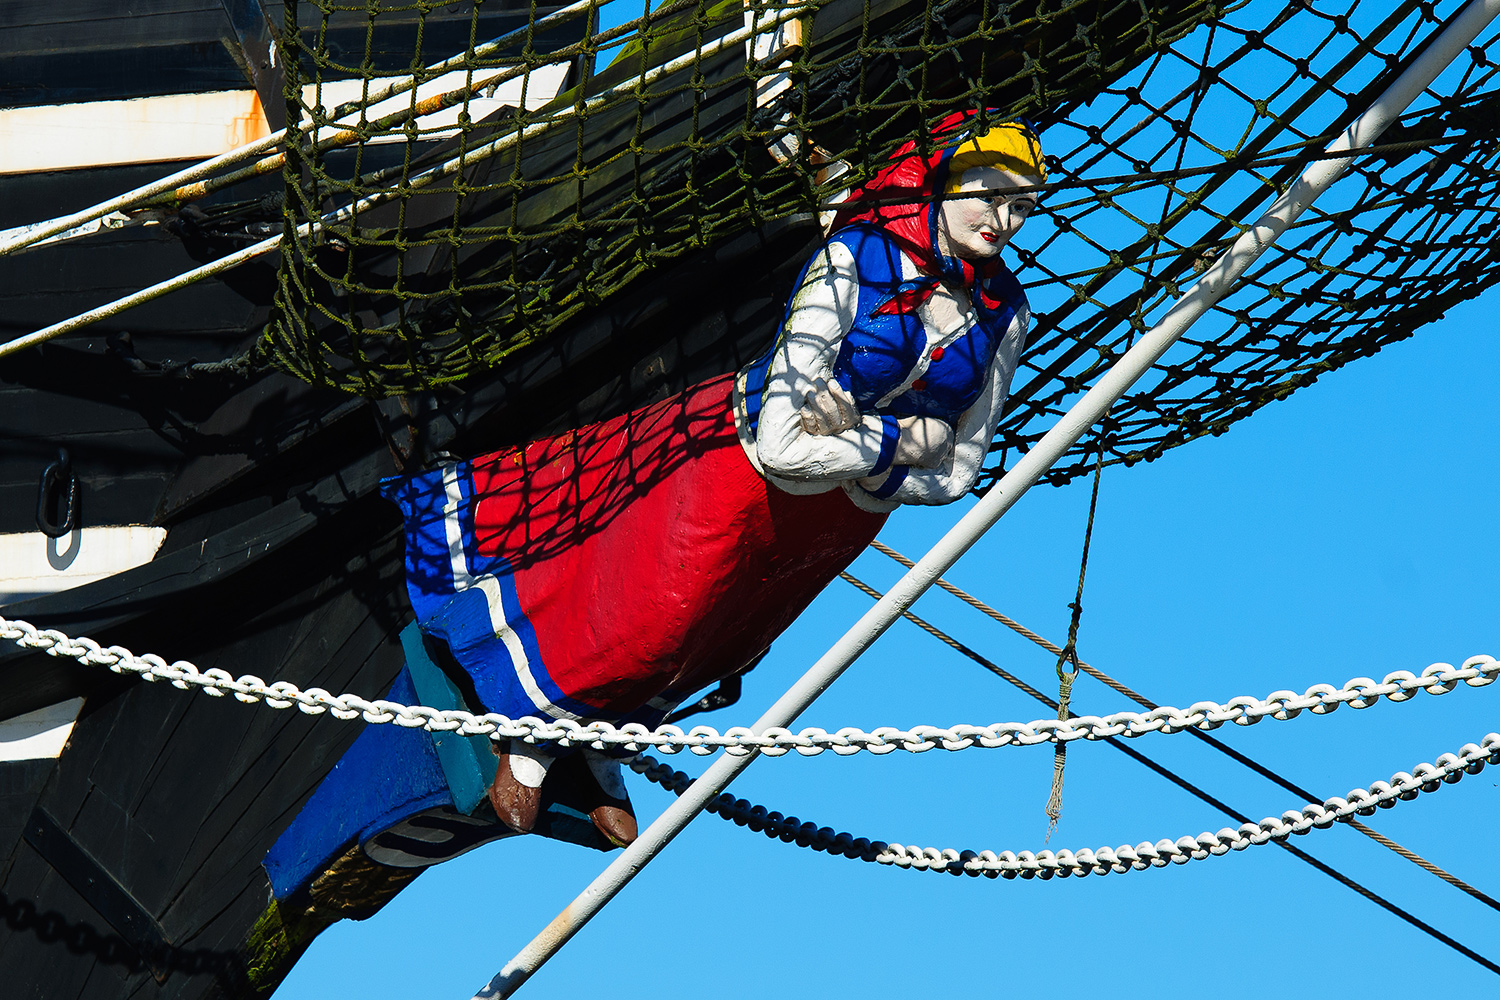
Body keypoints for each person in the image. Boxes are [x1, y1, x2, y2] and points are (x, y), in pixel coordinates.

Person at [383, 112, 1045, 848]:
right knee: (648, 615)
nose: (1004, 221)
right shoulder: (857, 254)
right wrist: (903, 440)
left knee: (719, 640)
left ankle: (606, 747)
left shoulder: (1004, 313)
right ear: (945, 179)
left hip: (843, 518)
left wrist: (863, 445)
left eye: (1022, 207)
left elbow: (960, 470)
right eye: (990, 195)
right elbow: (783, 441)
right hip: (738, 472)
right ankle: (531, 735)